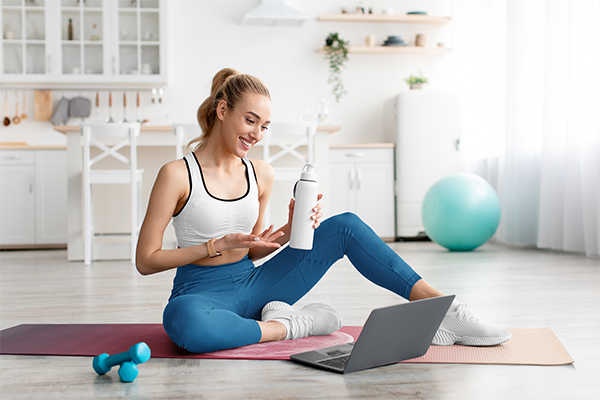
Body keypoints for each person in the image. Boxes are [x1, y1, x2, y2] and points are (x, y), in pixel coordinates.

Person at [135, 68, 511, 354]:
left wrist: (291, 227)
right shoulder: (176, 174)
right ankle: (292, 325)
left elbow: (253, 249)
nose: (257, 134)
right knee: (182, 324)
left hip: (255, 285)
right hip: (202, 293)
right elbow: (146, 260)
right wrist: (213, 246)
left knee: (344, 225)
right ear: (222, 110)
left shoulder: (260, 173)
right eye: (250, 121)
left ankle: (444, 310)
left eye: (264, 126)